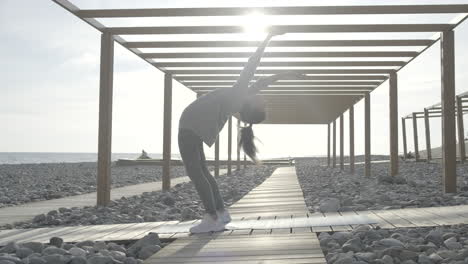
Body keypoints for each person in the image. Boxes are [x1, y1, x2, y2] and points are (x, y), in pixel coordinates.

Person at [178, 30, 305, 233]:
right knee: (202, 172)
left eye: (263, 104)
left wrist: (267, 38)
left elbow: (251, 64)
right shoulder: (243, 96)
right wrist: (286, 75)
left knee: (196, 172)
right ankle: (220, 213)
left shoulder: (239, 94)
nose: (265, 100)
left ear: (252, 107)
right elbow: (264, 82)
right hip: (195, 127)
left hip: (190, 128)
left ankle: (211, 217)